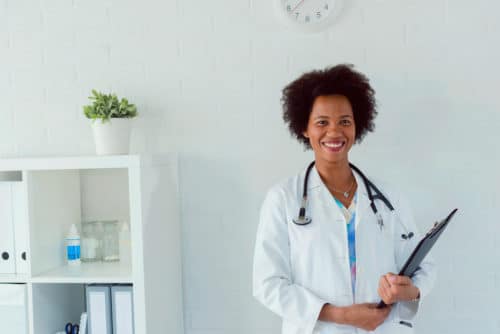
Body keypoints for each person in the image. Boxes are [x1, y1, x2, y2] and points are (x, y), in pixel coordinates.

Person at [252, 64, 435, 334]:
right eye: (322, 122)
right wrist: (340, 315)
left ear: (357, 126)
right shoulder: (282, 199)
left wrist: (411, 289)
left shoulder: (390, 198)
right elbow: (268, 284)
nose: (334, 132)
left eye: (344, 122)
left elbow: (423, 266)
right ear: (304, 128)